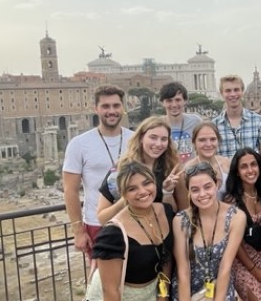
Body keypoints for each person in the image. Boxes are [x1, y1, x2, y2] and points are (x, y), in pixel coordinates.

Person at [63, 85, 134, 268]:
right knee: (101, 284)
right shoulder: (79, 144)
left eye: (116, 106)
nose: (112, 111)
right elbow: (70, 190)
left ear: (122, 108)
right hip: (97, 224)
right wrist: (78, 231)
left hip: (133, 219)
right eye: (106, 106)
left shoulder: (135, 140)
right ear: (96, 109)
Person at [86, 162, 175, 301]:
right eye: (132, 188)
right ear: (123, 194)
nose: (143, 191)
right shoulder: (113, 235)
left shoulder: (166, 211)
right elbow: (110, 291)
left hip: (151, 293)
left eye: (147, 183)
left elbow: (166, 259)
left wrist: (163, 298)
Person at [173, 161, 247, 301]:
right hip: (188, 291)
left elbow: (225, 267)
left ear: (217, 184)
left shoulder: (236, 217)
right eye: (195, 190)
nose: (202, 194)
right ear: (189, 191)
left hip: (220, 286)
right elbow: (183, 272)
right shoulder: (181, 220)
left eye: (207, 187)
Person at [96, 116, 182, 224]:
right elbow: (102, 218)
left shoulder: (171, 169)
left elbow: (175, 213)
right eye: (153, 137)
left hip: (162, 232)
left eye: (163, 139)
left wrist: (167, 192)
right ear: (141, 138)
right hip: (131, 233)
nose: (158, 144)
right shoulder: (121, 169)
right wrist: (126, 199)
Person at [223, 149, 261, 301]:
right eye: (244, 166)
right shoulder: (231, 201)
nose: (250, 170)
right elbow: (234, 244)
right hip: (243, 260)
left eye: (253, 164)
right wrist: (254, 270)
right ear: (237, 172)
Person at [213, 74, 261, 158]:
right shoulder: (214, 125)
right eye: (228, 91)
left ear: (242, 92)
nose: (233, 94)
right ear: (221, 94)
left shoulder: (259, 121)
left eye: (236, 90)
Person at [182, 122, 231, 201]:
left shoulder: (226, 163)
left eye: (213, 139)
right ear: (194, 142)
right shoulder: (188, 169)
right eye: (202, 140)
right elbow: (185, 204)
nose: (208, 144)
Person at [160, 82, 203, 163]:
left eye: (178, 100)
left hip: (193, 172)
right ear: (162, 103)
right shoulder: (157, 124)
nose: (174, 105)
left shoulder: (196, 121)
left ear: (185, 101)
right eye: (169, 101)